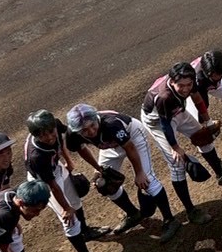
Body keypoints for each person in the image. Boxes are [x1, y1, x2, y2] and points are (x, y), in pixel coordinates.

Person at [65, 102, 182, 240]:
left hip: (133, 137)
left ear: (96, 118)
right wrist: (98, 169)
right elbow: (81, 149)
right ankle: (133, 214)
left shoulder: (111, 124)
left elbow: (130, 147)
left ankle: (170, 220)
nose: (90, 131)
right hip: (110, 145)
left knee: (147, 179)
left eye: (92, 125)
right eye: (84, 130)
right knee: (104, 183)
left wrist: (139, 173)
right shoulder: (73, 133)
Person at [140, 61, 222, 214]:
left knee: (204, 137)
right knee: (177, 163)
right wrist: (175, 148)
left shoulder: (189, 81)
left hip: (177, 111)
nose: (186, 88)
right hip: (157, 121)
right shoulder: (164, 97)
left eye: (188, 84)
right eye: (181, 85)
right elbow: (166, 124)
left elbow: (197, 98)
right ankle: (191, 210)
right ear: (172, 81)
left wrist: (207, 120)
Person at [23, 110, 116, 252]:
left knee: (75, 200)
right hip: (43, 182)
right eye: (43, 135)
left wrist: (68, 160)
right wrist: (65, 208)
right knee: (69, 219)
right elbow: (52, 186)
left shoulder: (55, 124)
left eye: (51, 132)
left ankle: (85, 231)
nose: (50, 137)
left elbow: (65, 140)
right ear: (36, 135)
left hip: (55, 167)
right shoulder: (36, 156)